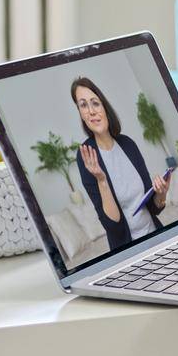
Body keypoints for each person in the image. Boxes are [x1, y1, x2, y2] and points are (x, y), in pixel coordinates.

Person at [70, 76, 169, 255]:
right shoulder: (86, 155)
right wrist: (101, 180)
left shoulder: (128, 144)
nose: (91, 111)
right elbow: (113, 227)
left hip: (156, 236)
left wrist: (161, 193)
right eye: (83, 105)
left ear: (105, 107)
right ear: (81, 114)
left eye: (95, 103)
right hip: (129, 252)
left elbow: (153, 208)